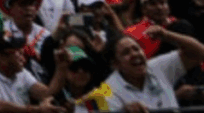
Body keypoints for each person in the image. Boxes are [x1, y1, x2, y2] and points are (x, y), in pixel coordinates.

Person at [75, 26, 204, 113]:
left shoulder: (157, 66)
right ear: (115, 64)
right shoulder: (107, 91)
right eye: (126, 53)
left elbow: (199, 53)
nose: (135, 54)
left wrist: (166, 35)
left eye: (136, 49)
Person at [0, 33, 64, 113]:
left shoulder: (21, 73)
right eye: (18, 53)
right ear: (2, 57)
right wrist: (36, 110)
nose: (22, 57)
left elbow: (46, 94)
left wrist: (61, 68)